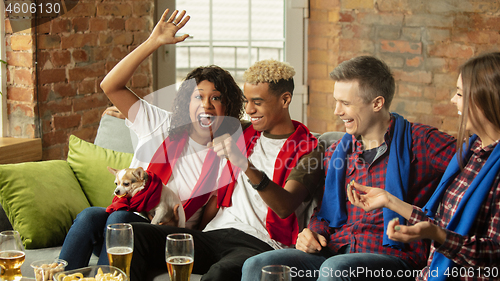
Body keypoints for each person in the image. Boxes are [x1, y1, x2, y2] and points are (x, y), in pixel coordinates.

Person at [59, 9, 245, 269]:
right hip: (126, 219)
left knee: (121, 218)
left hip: (164, 238)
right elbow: (110, 86)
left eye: (216, 98)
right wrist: (153, 42)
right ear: (185, 102)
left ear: (228, 106)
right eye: (197, 97)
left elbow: (209, 222)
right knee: (90, 216)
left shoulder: (228, 155)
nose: (206, 105)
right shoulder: (161, 123)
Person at [241, 56, 457, 281]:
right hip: (335, 251)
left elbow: (482, 161)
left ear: (377, 103)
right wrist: (310, 233)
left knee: (336, 268)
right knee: (257, 264)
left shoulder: (420, 141)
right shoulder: (337, 151)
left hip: (391, 256)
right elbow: (325, 213)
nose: (337, 111)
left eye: (346, 103)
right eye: (336, 101)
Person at [128, 57, 325, 281]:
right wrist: (129, 113)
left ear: (285, 100)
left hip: (259, 243)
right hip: (214, 233)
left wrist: (245, 165)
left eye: (257, 102)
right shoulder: (242, 130)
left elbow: (285, 206)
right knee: (135, 235)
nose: (249, 109)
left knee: (220, 273)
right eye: (247, 101)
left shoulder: (310, 150)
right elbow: (201, 116)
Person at [347, 52, 500, 281]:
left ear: (486, 98)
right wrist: (389, 201)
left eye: (459, 93)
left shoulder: (428, 142)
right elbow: (441, 225)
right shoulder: (471, 152)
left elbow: (495, 254)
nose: (453, 100)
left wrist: (438, 235)